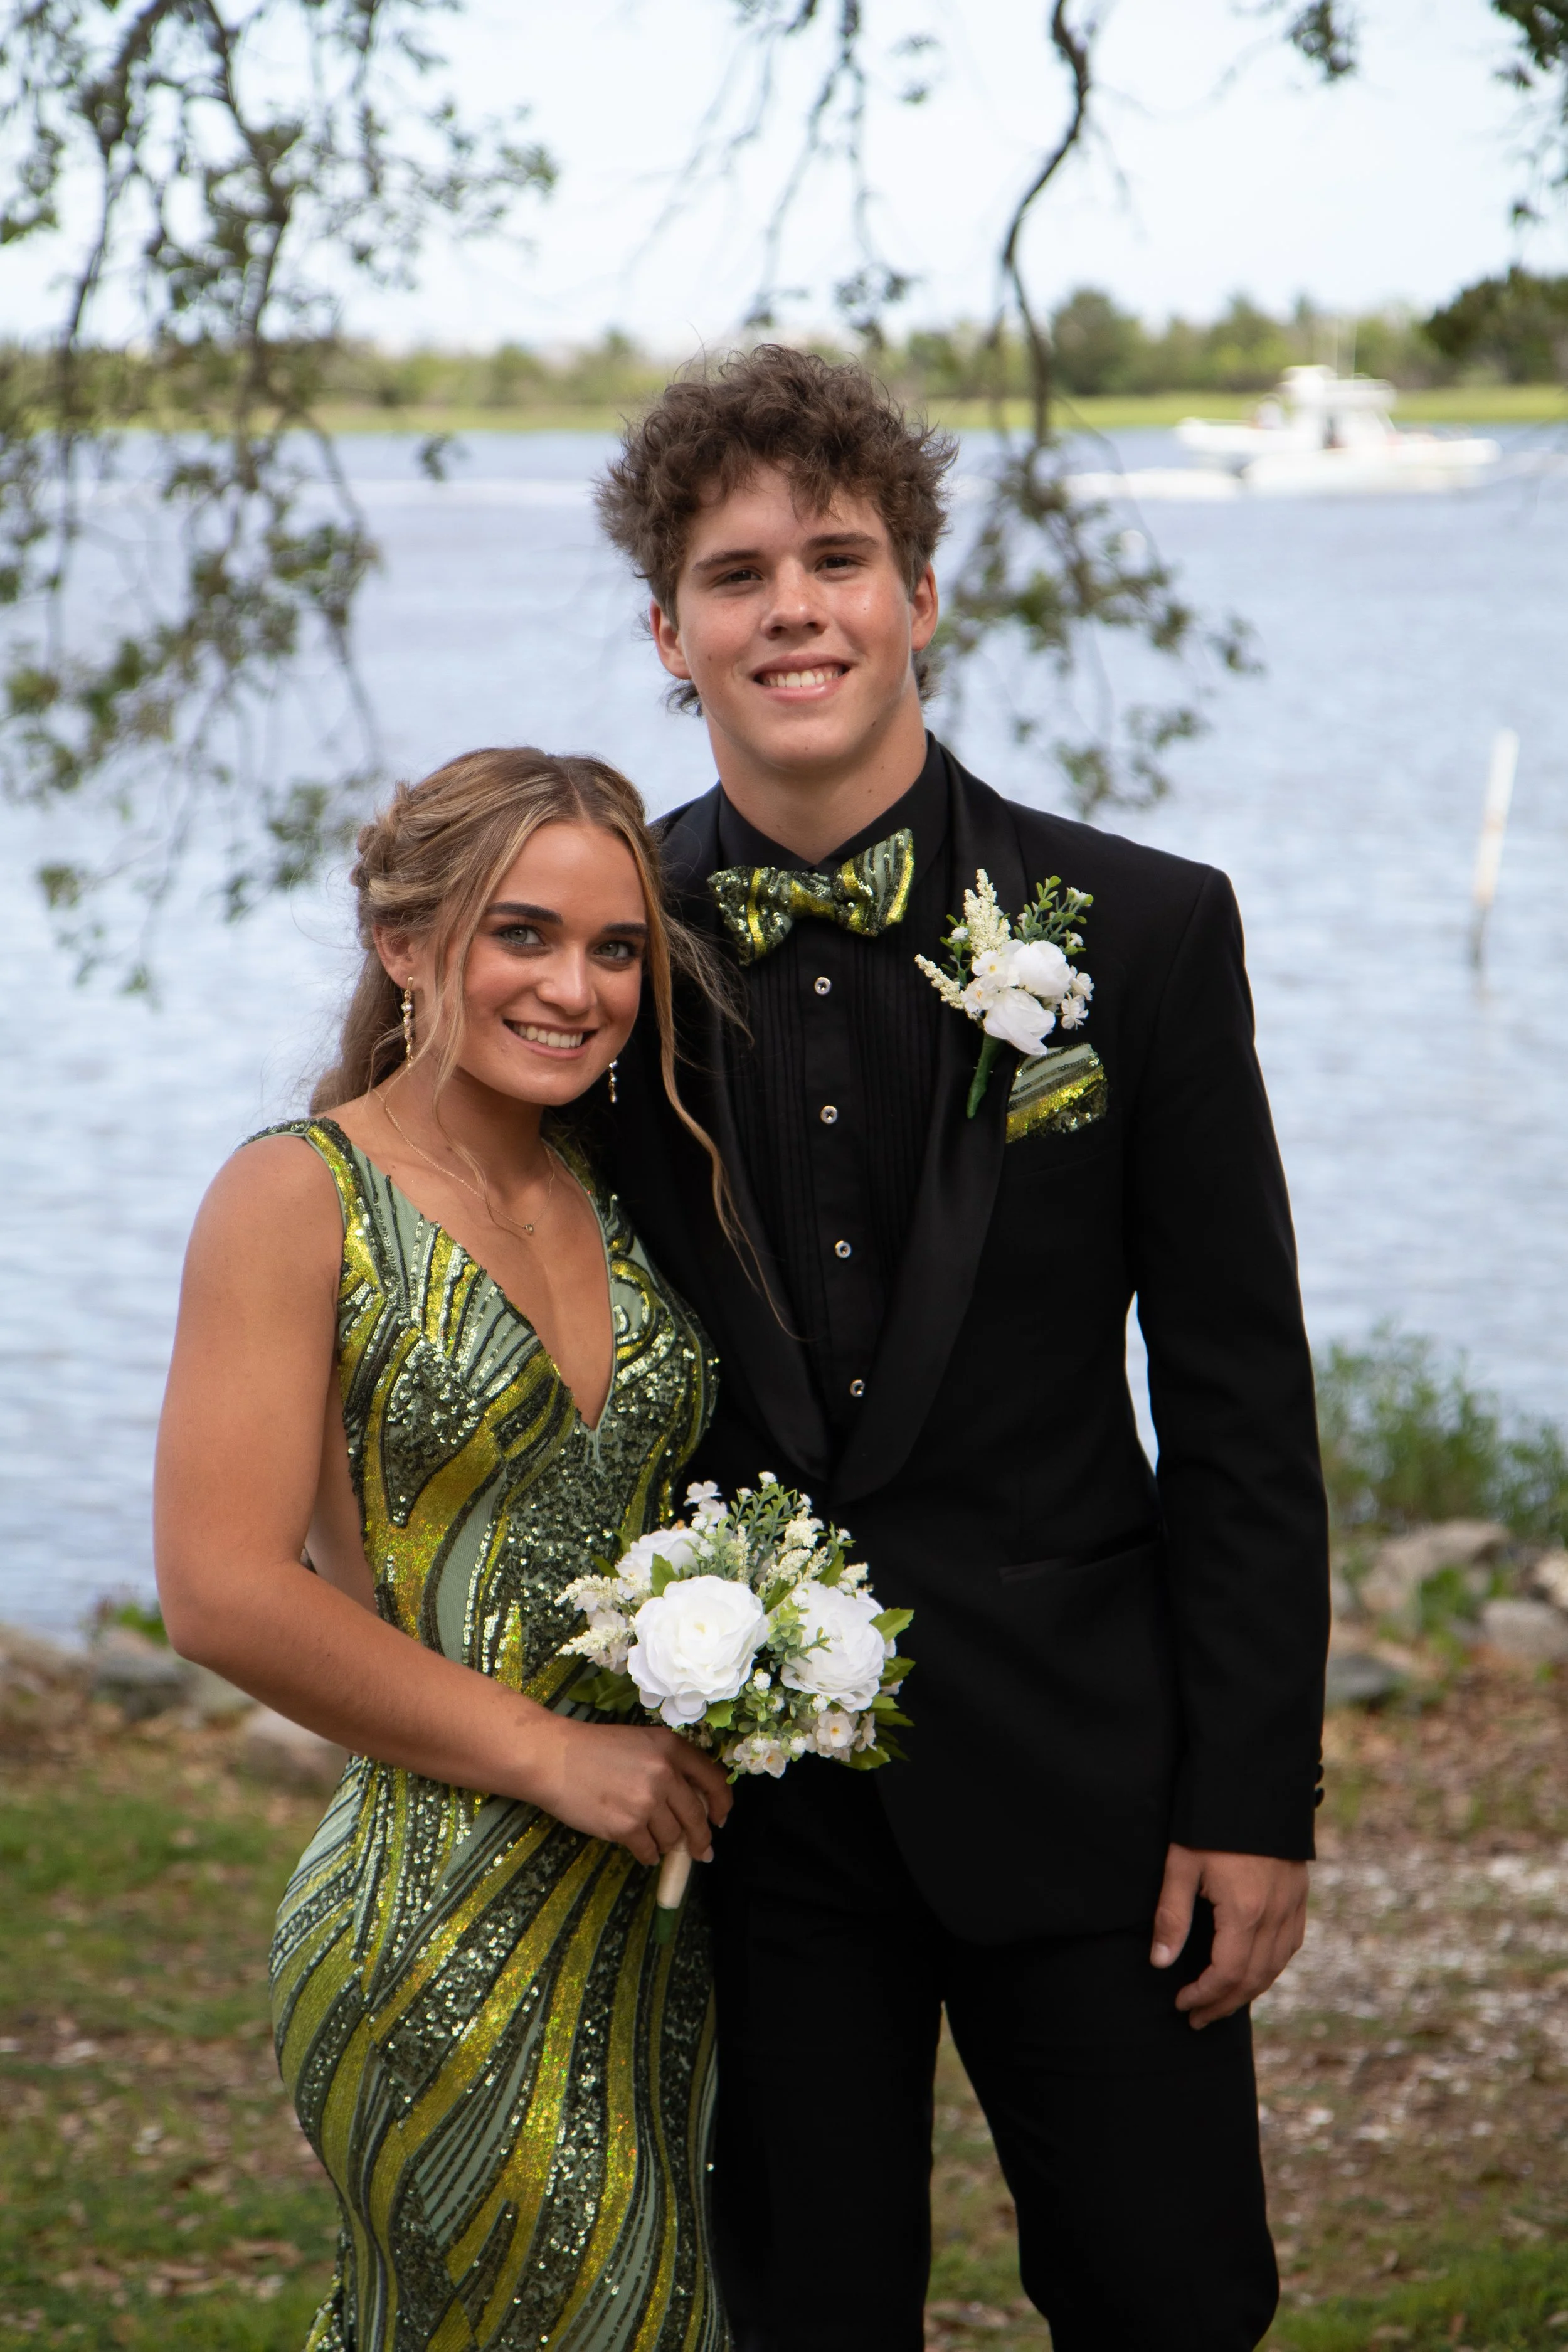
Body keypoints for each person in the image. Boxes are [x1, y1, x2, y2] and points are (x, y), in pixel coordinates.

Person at [595, 345, 1331, 2352]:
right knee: (804, 2312)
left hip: (1093, 1777)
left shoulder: (1146, 930)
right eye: (736, 573)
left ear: (920, 592)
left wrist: (1254, 1792)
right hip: (742, 1813)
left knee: (1170, 2293)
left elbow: (1241, 1395)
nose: (794, 606)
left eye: (838, 556)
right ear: (669, 629)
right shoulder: (595, 949)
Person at [154, 749, 738, 2352]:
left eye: (615, 950)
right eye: (522, 935)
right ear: (406, 946)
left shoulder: (616, 1191)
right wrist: (555, 1756)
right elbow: (219, 1589)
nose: (576, 989)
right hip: (431, 1921)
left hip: (658, 1916)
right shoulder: (298, 1194)